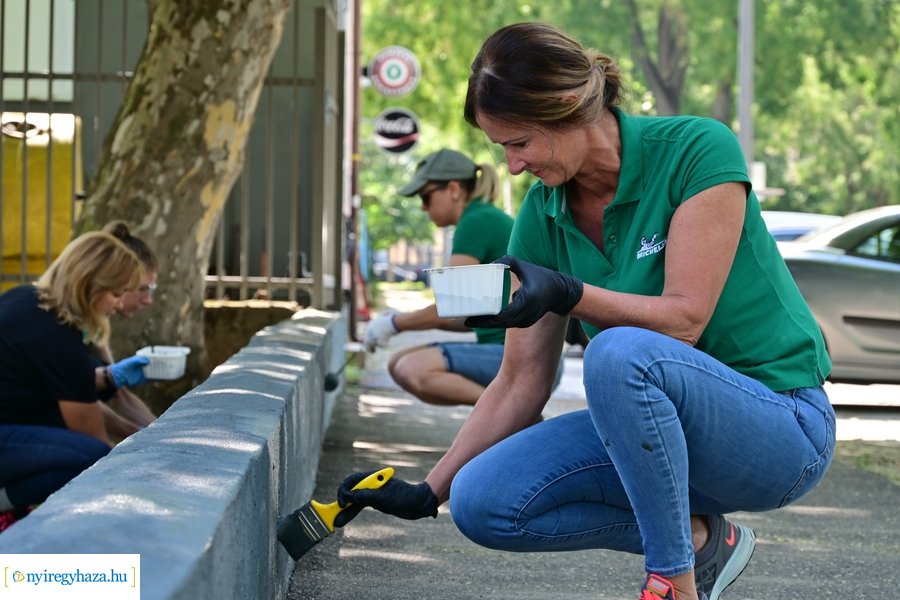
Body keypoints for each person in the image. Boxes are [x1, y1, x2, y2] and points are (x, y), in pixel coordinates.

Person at [326, 23, 835, 600]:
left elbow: (684, 320)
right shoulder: (542, 215)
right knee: (483, 500)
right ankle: (698, 543)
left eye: (519, 143)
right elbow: (520, 381)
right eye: (503, 149)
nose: (512, 168)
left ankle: (673, 581)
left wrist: (570, 293)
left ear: (568, 107)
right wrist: (429, 490)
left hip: (779, 428)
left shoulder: (696, 148)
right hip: (659, 450)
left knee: (620, 351)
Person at [364, 149, 562, 407]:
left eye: (426, 196)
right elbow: (468, 317)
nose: (423, 207)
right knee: (398, 363)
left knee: (411, 368)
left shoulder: (475, 222)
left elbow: (455, 305)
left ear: (454, 189)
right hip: (538, 359)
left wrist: (394, 324)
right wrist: (402, 324)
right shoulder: (484, 216)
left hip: (525, 359)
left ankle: (514, 416)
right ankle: (510, 416)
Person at [0, 232, 151, 531]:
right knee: (91, 458)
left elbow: (80, 393)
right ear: (89, 286)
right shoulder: (57, 336)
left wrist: (136, 431)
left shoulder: (26, 298)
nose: (117, 305)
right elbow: (94, 442)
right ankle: (5, 501)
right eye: (116, 294)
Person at [94, 221, 159, 439]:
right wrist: (140, 436)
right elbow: (75, 397)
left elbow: (116, 393)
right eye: (142, 289)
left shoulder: (96, 322)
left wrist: (162, 432)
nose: (148, 300)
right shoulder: (66, 316)